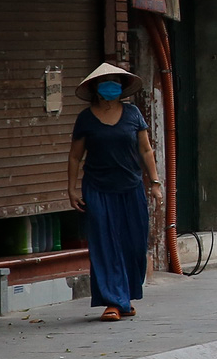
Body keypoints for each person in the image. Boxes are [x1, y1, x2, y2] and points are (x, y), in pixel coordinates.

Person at [67, 63, 164, 322]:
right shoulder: (85, 119)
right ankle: (112, 301)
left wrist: (155, 183)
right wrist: (71, 189)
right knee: (105, 245)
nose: (112, 86)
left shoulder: (133, 114)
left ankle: (126, 297)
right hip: (98, 189)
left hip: (131, 187)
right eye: (106, 82)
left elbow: (146, 150)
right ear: (96, 89)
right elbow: (75, 156)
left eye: (115, 82)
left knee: (134, 244)